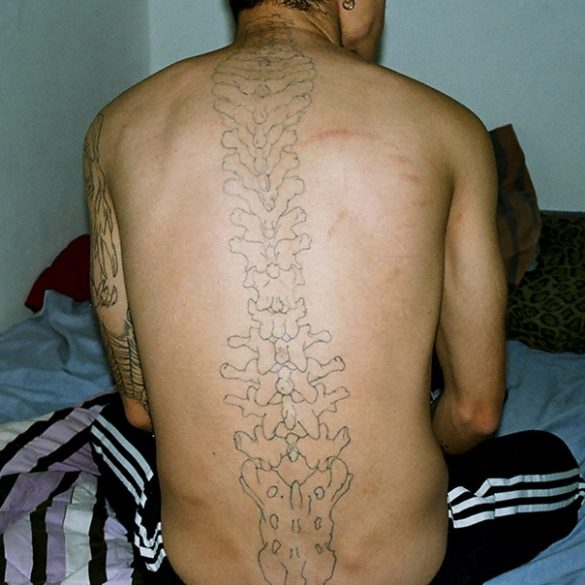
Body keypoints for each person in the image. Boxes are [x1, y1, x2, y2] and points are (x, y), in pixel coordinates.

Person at [85, 1, 583, 583]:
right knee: (554, 464)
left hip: (200, 569)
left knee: (111, 425)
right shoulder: (449, 127)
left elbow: (141, 410)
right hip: (399, 568)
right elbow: (475, 413)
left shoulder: (116, 127)